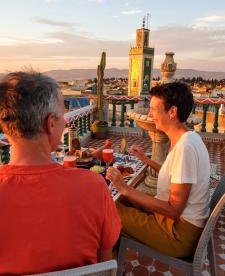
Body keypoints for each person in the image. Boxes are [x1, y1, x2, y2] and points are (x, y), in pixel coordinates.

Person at [0, 71, 121, 275]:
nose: (65, 122)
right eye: (63, 116)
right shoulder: (94, 186)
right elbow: (104, 263)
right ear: (51, 123)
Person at [106, 82, 210, 258]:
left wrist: (125, 187)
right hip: (177, 224)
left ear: (172, 112)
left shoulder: (185, 148)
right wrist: (146, 160)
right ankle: (114, 259)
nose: (149, 114)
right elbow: (175, 175)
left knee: (107, 210)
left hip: (177, 234)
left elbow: (173, 210)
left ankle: (109, 267)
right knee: (117, 200)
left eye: (154, 109)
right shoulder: (189, 138)